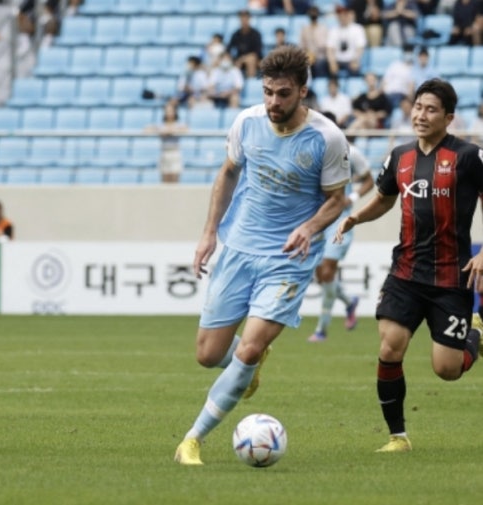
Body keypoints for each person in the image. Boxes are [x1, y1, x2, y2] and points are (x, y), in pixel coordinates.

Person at [173, 46, 350, 465]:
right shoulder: (246, 122)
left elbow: (336, 200)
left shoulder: (326, 138)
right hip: (238, 248)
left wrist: (307, 228)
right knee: (208, 355)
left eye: (283, 94)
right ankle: (246, 368)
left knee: (247, 350)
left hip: (287, 258)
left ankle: (192, 440)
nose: (273, 102)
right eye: (268, 92)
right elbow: (228, 173)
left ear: (302, 92)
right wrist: (208, 233)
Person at [335, 78, 483, 452]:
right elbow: (385, 198)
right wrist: (356, 217)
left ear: (449, 118)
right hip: (406, 272)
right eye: (418, 107)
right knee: (390, 347)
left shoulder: (468, 156)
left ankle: (476, 333)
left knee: (447, 370)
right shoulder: (399, 156)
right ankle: (397, 436)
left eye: (431, 109)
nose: (420, 115)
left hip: (452, 276)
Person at [308, 112, 375, 342]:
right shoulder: (310, 152)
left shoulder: (350, 151)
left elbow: (369, 179)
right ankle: (349, 300)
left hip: (340, 219)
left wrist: (353, 197)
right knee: (320, 273)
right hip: (317, 219)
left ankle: (322, 329)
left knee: (327, 270)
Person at [144, 102, 188, 184]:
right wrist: (160, 130)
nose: (169, 113)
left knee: (175, 179)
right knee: (165, 180)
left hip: (175, 153)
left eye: (170, 111)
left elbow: (185, 129)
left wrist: (169, 131)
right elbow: (147, 130)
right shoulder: (161, 125)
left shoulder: (178, 125)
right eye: (167, 111)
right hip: (165, 153)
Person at [226, 10, 263, 78]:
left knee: (251, 60)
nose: (244, 21)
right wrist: (231, 59)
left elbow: (256, 53)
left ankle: (250, 83)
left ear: (249, 19)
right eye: (242, 18)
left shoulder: (256, 34)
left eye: (246, 18)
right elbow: (228, 50)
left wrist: (242, 59)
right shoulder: (236, 34)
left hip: (254, 59)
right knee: (226, 61)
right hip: (239, 60)